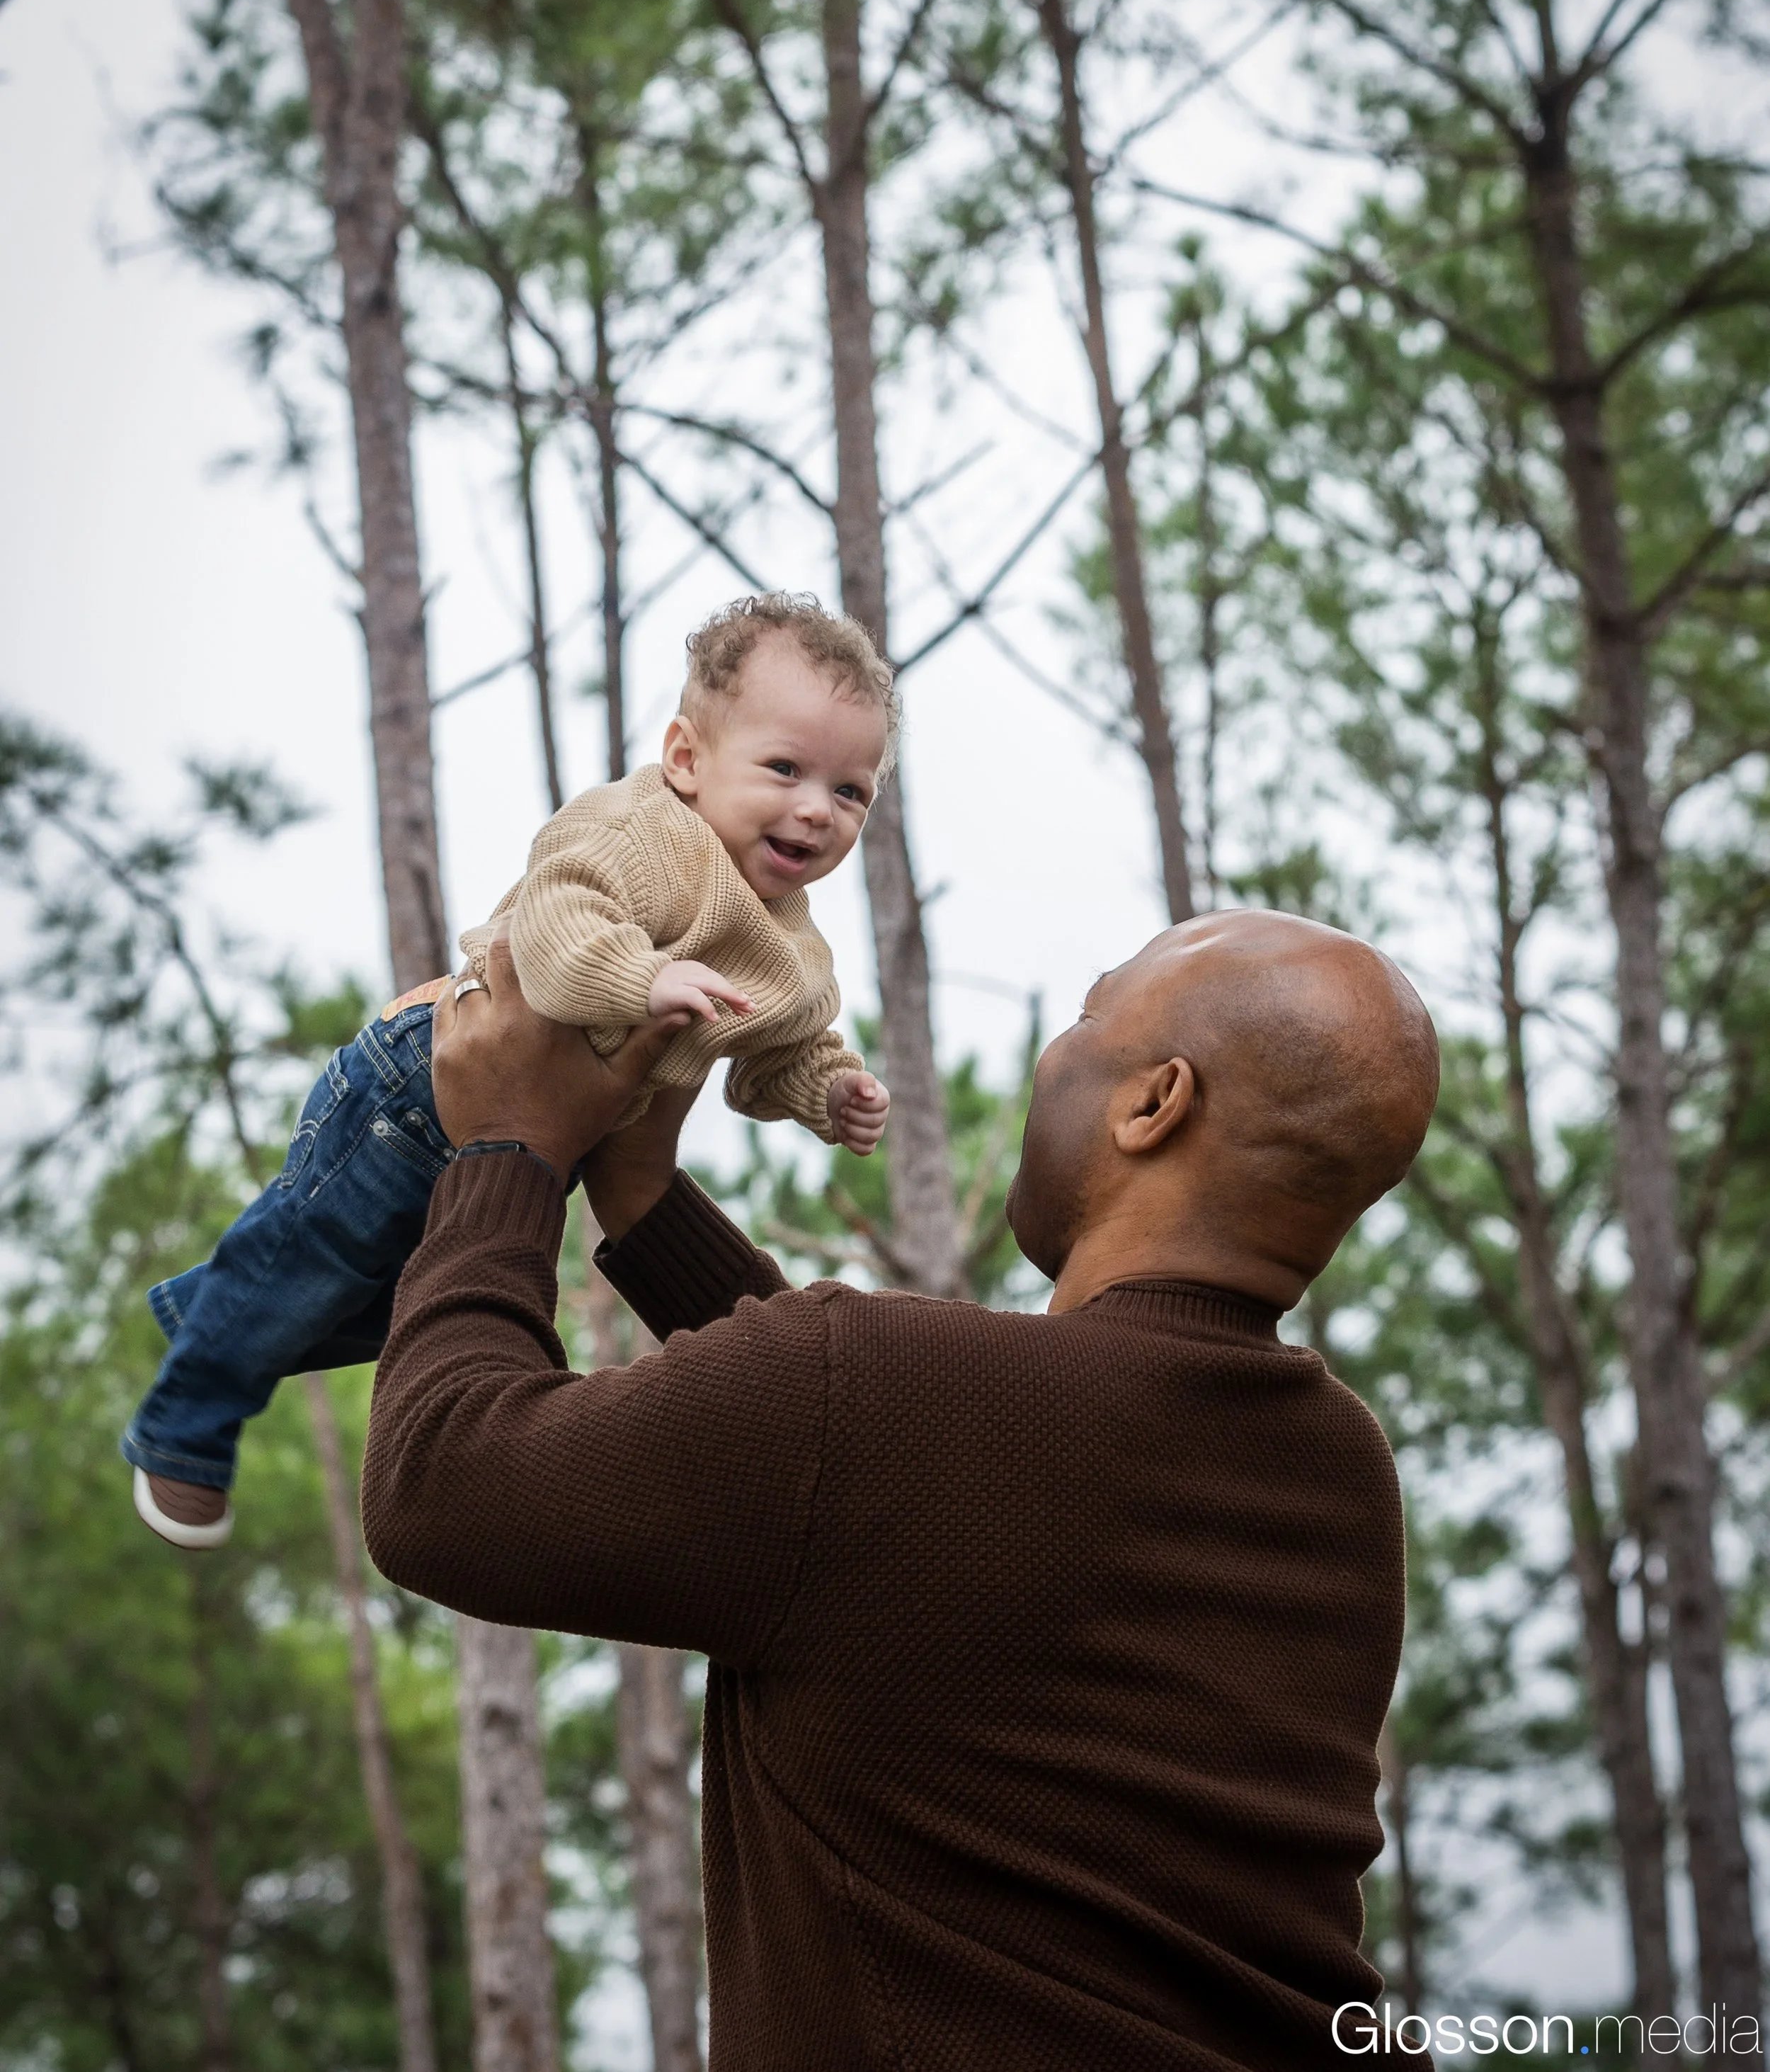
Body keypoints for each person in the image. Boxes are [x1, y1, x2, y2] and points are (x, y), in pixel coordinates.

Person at [361, 906, 1441, 2071]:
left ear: (1153, 1103)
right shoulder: (1339, 1472)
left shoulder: (882, 1407)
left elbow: (441, 1477)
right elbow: (904, 1485)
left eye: (1086, 1014)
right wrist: (645, 1200)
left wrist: (503, 1151)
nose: (1052, 1051)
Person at [125, 593, 893, 1549]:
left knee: (378, 1301)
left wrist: (828, 1091)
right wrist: (645, 977)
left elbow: (786, 1043)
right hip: (416, 1092)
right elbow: (558, 920)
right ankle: (182, 1431)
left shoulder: (793, 947)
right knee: (320, 1255)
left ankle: (218, 1305)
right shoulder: (642, 836)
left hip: (536, 1150)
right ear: (688, 759)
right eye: (784, 769)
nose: (817, 809)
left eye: (851, 791)